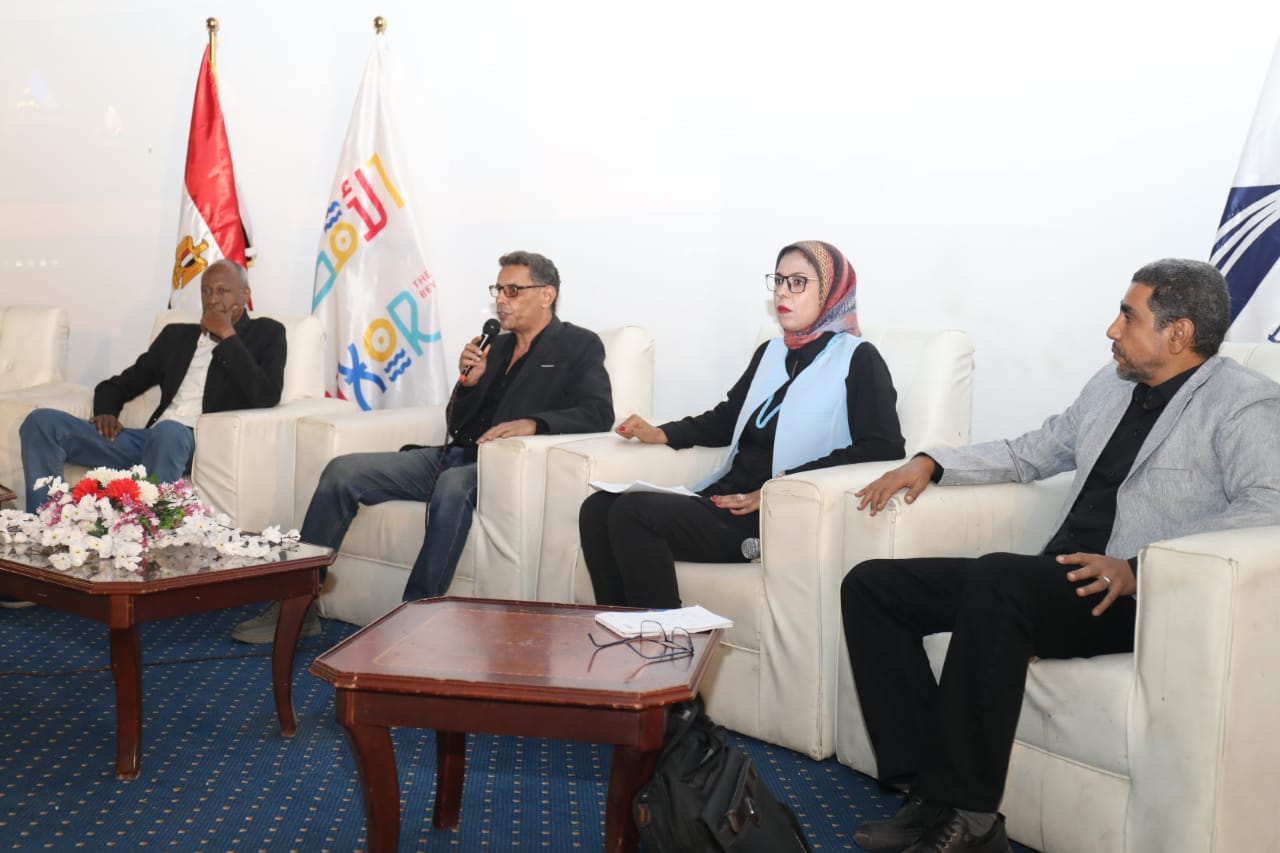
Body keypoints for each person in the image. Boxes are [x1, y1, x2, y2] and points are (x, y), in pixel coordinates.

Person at [842, 258, 1280, 853]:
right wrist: (932, 462)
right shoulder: (1111, 385)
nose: (1112, 330)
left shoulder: (1244, 402)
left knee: (1000, 577)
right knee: (873, 587)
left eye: (1128, 317)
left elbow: (1266, 505)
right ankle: (928, 793)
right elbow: (1033, 451)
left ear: (1178, 334)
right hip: (1052, 581)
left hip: (1136, 598)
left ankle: (972, 820)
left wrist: (1140, 568)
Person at [231, 250, 615, 644]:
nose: (501, 300)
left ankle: (413, 616)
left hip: (505, 469)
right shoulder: (495, 347)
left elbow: (599, 412)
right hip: (458, 455)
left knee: (452, 485)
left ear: (547, 295)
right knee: (342, 471)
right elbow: (456, 423)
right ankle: (300, 602)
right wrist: (469, 385)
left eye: (512, 290)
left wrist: (535, 424)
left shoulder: (577, 346)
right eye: (498, 290)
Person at [578, 240, 905, 609]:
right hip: (727, 498)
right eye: (778, 280)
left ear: (831, 292)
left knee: (634, 513)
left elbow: (883, 447)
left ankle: (665, 638)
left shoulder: (858, 358)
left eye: (798, 282)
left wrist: (780, 486)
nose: (782, 292)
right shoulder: (772, 352)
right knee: (597, 509)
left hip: (772, 516)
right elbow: (728, 418)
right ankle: (625, 631)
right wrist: (664, 432)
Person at [20, 259, 285, 513]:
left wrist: (227, 336)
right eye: (206, 291)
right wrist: (106, 412)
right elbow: (118, 385)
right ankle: (44, 522)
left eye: (222, 291)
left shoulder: (267, 333)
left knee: (170, 431)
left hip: (198, 445)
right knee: (41, 422)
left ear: (245, 294)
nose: (212, 299)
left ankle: (146, 529)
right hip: (149, 441)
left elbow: (266, 395)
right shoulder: (176, 336)